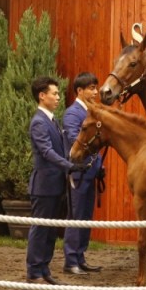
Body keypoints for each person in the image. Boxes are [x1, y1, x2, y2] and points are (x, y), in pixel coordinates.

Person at [26, 76, 85, 285]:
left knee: (50, 231)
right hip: (43, 186)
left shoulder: (51, 120)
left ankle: (44, 268)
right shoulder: (39, 122)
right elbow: (46, 151)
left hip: (55, 185)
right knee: (41, 229)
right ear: (42, 96)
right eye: (54, 93)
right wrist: (69, 165)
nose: (58, 97)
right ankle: (34, 271)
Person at [61, 72, 104, 275]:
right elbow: (74, 140)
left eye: (96, 88)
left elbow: (96, 143)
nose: (95, 92)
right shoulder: (72, 114)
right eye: (91, 88)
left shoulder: (91, 112)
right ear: (80, 91)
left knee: (86, 216)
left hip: (90, 172)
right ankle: (71, 260)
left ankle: (80, 256)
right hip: (78, 173)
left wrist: (99, 166)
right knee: (76, 216)